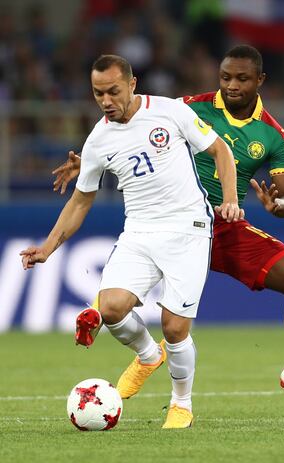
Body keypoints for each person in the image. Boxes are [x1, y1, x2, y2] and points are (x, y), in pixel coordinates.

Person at [53, 46, 284, 418]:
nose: (231, 86)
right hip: (173, 222)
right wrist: (92, 159)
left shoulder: (272, 135)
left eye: (241, 79)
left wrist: (277, 205)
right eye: (225, 78)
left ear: (260, 81)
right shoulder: (188, 105)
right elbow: (132, 122)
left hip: (227, 228)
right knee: (133, 302)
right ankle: (120, 327)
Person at [21, 54, 241, 429]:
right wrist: (48, 247)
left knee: (174, 327)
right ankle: (146, 355)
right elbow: (80, 200)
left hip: (187, 228)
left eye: (113, 91)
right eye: (97, 93)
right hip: (138, 232)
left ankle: (181, 403)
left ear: (132, 84)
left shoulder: (170, 112)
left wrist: (231, 198)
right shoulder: (97, 141)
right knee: (110, 308)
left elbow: (220, 150)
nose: (106, 100)